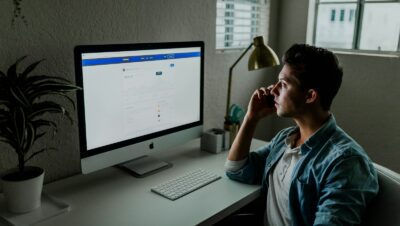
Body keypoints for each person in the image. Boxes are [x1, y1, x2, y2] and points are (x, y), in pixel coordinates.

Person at [224, 44, 379, 226]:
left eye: (283, 84)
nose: (273, 90)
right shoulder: (285, 139)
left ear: (310, 96)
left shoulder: (346, 162)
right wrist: (251, 118)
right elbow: (237, 170)